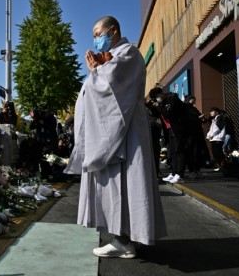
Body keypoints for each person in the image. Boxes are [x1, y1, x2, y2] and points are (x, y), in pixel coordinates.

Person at [65, 16, 167, 258]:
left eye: (99, 34)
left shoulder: (128, 53)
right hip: (121, 130)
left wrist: (95, 71)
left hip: (124, 132)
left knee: (124, 183)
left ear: (113, 30)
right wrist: (99, 70)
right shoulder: (119, 56)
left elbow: (106, 86)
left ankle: (124, 241)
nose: (96, 40)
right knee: (122, 185)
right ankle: (129, 238)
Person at [151, 87, 189, 184]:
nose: (157, 100)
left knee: (179, 151)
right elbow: (158, 114)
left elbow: (169, 113)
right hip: (170, 129)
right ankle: (174, 173)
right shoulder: (162, 103)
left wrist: (159, 106)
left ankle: (180, 175)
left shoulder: (172, 98)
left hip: (178, 128)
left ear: (160, 93)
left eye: (156, 97)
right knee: (172, 152)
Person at [206, 107, 226, 171]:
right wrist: (208, 135)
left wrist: (211, 135)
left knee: (218, 153)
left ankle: (222, 166)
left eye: (213, 111)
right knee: (215, 153)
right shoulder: (214, 119)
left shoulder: (219, 118)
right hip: (214, 138)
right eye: (210, 111)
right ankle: (220, 166)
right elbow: (212, 128)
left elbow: (217, 128)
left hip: (218, 138)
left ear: (217, 112)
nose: (211, 113)